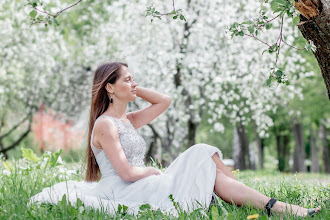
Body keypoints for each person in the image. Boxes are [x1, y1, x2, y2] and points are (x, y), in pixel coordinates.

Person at [29, 62, 320, 217]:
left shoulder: (127, 120)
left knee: (205, 154)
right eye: (127, 79)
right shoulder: (105, 126)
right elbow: (127, 172)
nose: (134, 82)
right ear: (109, 87)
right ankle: (270, 207)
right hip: (127, 189)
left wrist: (134, 89)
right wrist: (156, 171)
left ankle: (263, 205)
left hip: (141, 182)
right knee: (201, 155)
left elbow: (164, 101)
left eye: (134, 78)